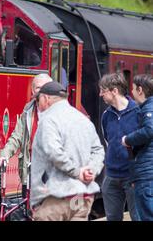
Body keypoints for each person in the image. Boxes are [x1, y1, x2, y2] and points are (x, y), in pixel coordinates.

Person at [30, 81, 105, 221]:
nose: (37, 105)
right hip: (82, 197)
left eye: (37, 99)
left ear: (46, 98)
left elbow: (54, 152)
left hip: (55, 199)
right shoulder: (83, 120)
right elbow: (98, 150)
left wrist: (77, 173)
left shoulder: (48, 120)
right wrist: (92, 171)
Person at [0, 73, 53, 196]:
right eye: (39, 88)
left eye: (46, 87)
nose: (42, 91)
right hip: (30, 170)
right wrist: (4, 155)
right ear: (33, 90)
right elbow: (16, 137)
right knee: (28, 210)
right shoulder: (28, 110)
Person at [99, 73, 139, 221]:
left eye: (103, 90)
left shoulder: (138, 113)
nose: (100, 94)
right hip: (111, 176)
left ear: (114, 91)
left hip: (133, 176)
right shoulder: (106, 115)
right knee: (112, 217)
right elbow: (108, 141)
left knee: (138, 216)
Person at [122, 74, 153, 221]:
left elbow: (149, 130)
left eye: (133, 89)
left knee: (146, 214)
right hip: (146, 170)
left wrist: (128, 139)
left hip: (147, 172)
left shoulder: (149, 109)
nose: (131, 93)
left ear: (140, 90)